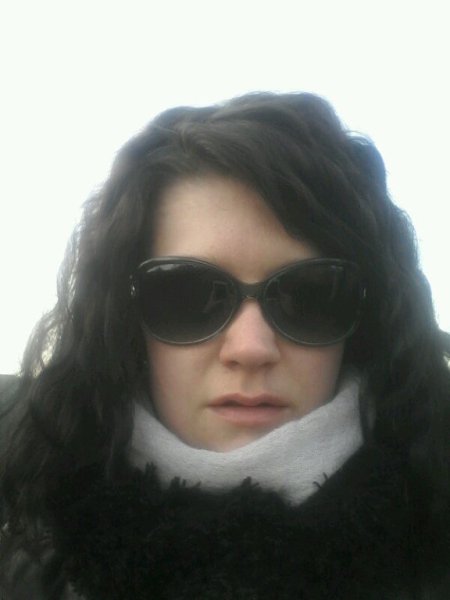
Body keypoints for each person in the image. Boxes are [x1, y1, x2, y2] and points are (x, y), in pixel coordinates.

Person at [1, 92, 449, 599]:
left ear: (367, 316)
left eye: (310, 295)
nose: (251, 348)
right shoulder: (30, 566)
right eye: (187, 294)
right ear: (125, 320)